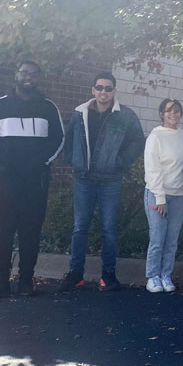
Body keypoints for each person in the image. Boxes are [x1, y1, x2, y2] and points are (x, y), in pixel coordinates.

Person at [0, 61, 64, 298]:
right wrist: (3, 161)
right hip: (5, 179)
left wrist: (39, 162)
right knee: (1, 231)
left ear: (39, 78)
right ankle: (1, 283)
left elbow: (58, 139)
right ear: (16, 75)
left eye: (34, 74)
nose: (29, 77)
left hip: (35, 181)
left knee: (31, 231)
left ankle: (26, 281)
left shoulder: (48, 108)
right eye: (24, 72)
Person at [60, 71, 145, 292]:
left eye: (108, 88)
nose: (103, 92)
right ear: (93, 90)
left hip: (110, 180)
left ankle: (108, 276)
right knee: (80, 227)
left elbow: (137, 141)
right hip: (84, 179)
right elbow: (67, 141)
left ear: (114, 91)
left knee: (109, 229)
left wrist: (120, 162)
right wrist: (75, 161)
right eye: (99, 87)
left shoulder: (125, 116)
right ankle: (75, 274)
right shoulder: (79, 114)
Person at [143, 98, 183, 294]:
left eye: (177, 110)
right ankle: (152, 276)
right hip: (158, 194)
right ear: (162, 113)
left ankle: (165, 274)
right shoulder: (155, 136)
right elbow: (152, 169)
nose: (173, 114)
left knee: (172, 239)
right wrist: (160, 198)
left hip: (180, 194)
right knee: (157, 237)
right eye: (169, 110)